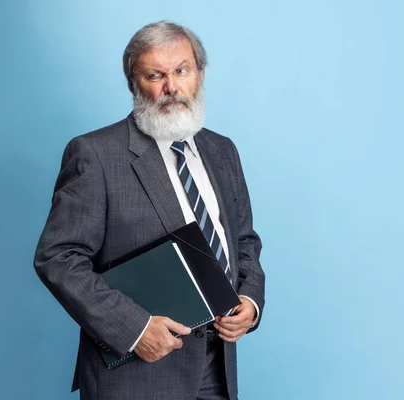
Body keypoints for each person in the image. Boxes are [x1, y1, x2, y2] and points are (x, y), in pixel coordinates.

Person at [34, 21, 265, 400]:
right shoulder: (95, 154)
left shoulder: (223, 151)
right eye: (155, 75)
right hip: (137, 377)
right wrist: (135, 329)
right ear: (133, 83)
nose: (171, 87)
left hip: (218, 369)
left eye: (181, 71)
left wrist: (251, 301)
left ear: (200, 74)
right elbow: (58, 258)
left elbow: (244, 240)